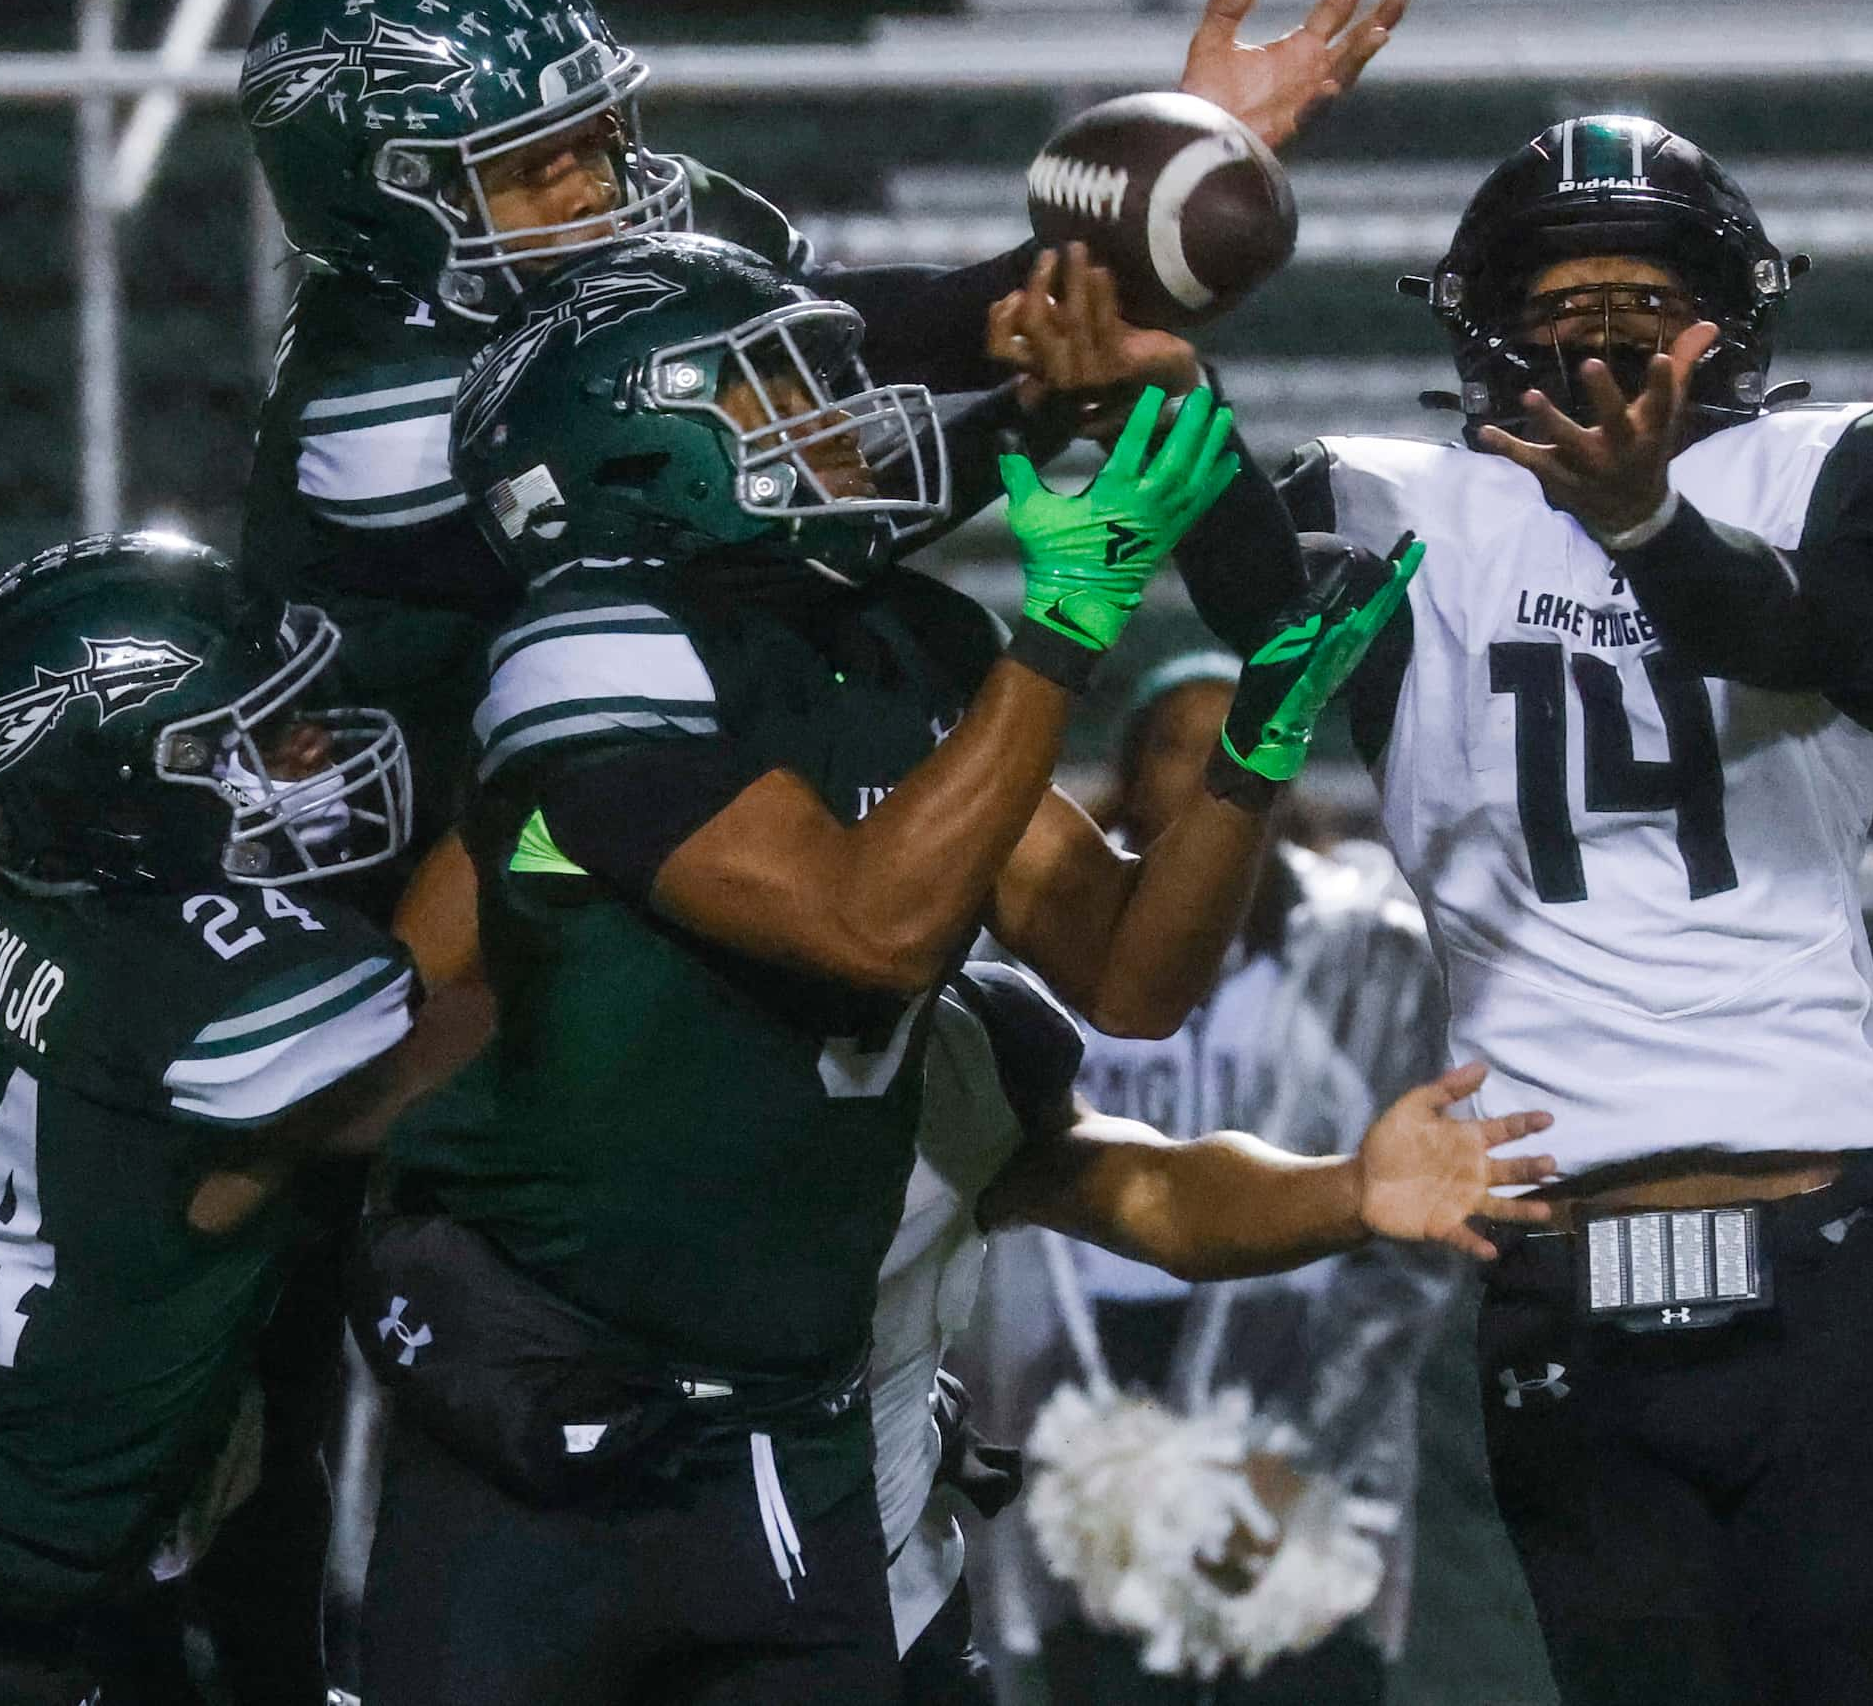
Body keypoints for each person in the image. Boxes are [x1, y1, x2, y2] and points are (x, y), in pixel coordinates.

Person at [348, 233, 1456, 1706]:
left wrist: (1254, 754)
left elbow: (1128, 978)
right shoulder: (588, 644)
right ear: (629, 452)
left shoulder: (904, 642)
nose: (829, 414)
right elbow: (875, 927)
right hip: (551, 1405)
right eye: (761, 391)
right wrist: (1065, 628)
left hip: (795, 1430)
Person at [1170, 114, 1873, 1706]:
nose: (1607, 331)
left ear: (1731, 318)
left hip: (1825, 1237)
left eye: (1646, 295)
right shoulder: (1392, 499)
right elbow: (1245, 589)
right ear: (1489, 329)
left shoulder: (1840, 464)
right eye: (1568, 300)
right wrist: (1155, 343)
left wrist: (1641, 519)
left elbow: (1811, 636)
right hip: (1561, 1253)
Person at [236, 0, 1408, 858]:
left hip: (659, 727)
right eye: (537, 164)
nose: (600, 184)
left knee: (1131, 372)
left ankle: (1270, 627)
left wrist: (1155, 198)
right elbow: (747, 538)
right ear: (391, 193)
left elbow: (864, 335)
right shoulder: (370, 411)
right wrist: (1033, 406)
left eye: (597, 131)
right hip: (453, 827)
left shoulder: (643, 221)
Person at [0, 533, 482, 1706]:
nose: (305, 752)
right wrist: (532, 829)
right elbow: (418, 1037)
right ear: (119, 785)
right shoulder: (181, 996)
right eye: (240, 739)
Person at [965, 655, 1456, 1705]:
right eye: (1176, 747)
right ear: (1130, 770)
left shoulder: (1357, 953)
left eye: (1235, 745)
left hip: (1288, 1346)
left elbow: (1401, 1230)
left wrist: (1300, 1447)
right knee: (1102, 1671)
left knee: (1295, 1664)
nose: (1203, 775)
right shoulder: (1034, 933)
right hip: (1079, 1370)